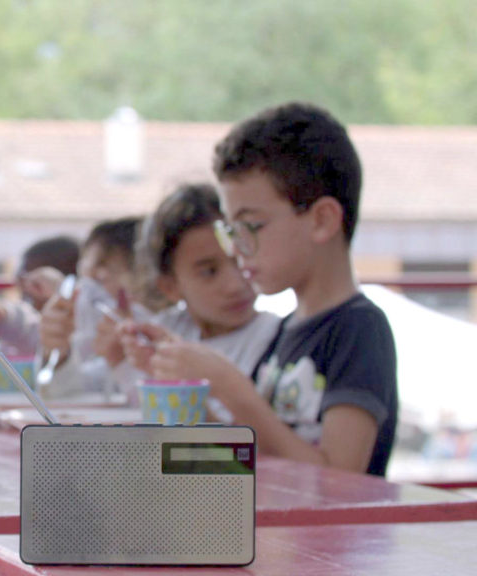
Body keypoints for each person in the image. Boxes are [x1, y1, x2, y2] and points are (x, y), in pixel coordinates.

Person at [133, 102, 398, 476]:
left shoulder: (359, 330)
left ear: (322, 220)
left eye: (251, 227)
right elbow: (247, 458)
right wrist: (180, 381)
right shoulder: (285, 333)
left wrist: (227, 384)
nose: (238, 248)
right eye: (231, 232)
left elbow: (341, 477)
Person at [118, 182, 281, 421]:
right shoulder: (167, 331)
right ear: (170, 287)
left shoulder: (277, 338)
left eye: (240, 256)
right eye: (209, 272)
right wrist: (125, 360)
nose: (235, 284)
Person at [38, 216, 151, 398]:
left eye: (102, 279)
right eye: (84, 278)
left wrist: (123, 359)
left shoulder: (166, 335)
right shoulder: (103, 360)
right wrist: (59, 353)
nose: (86, 295)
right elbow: (73, 390)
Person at [0, 234, 80, 355]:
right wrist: (3, 316)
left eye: (31, 281)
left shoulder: (80, 336)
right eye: (20, 279)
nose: (23, 288)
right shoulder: (40, 329)